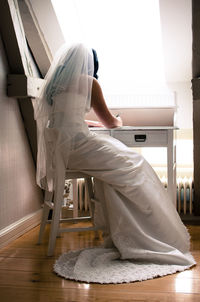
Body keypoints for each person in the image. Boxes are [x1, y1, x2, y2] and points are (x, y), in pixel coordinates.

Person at [33, 43, 195, 283]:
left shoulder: (54, 87)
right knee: (136, 163)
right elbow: (111, 123)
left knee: (115, 172)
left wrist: (92, 125)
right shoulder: (89, 82)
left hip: (66, 151)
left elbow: (64, 122)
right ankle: (151, 232)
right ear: (90, 64)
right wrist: (118, 121)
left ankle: (130, 229)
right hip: (80, 147)